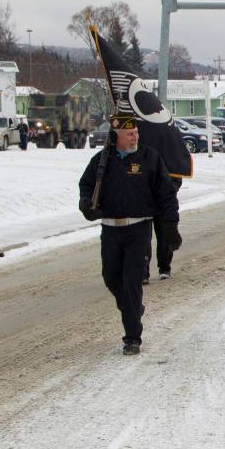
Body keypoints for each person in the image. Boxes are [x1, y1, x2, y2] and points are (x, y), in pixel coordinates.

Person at [78, 115, 180, 355]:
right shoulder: (102, 161)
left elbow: (167, 195)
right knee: (111, 278)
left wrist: (169, 227)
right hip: (110, 229)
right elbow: (86, 186)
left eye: (136, 132)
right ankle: (132, 309)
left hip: (138, 229)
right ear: (117, 137)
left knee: (132, 282)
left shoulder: (149, 158)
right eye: (130, 134)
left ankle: (132, 338)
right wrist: (87, 205)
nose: (135, 137)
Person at [145, 176, 183, 283]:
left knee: (165, 234)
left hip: (165, 201)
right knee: (143, 238)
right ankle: (143, 272)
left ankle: (165, 268)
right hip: (144, 200)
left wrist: (170, 189)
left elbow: (178, 174)